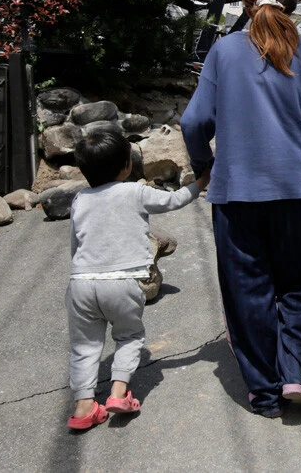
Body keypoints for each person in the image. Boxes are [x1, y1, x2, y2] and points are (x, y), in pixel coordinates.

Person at [180, 0, 301, 418]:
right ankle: (296, 372)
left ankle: (264, 390)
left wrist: (205, 168)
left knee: (246, 291)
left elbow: (193, 123)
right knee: (298, 286)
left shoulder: (223, 51)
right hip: (296, 194)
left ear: (246, 2)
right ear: (291, 6)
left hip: (235, 197)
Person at [66, 131, 209, 431]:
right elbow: (174, 200)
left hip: (81, 282)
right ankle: (118, 394)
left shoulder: (80, 200)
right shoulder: (135, 192)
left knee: (85, 345)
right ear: (127, 166)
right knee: (129, 336)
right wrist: (199, 185)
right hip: (122, 282)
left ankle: (83, 407)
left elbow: (75, 245)